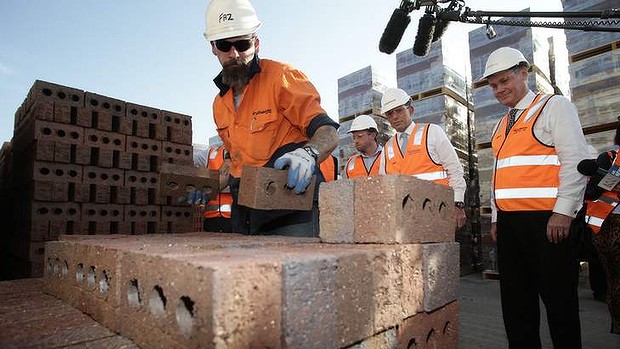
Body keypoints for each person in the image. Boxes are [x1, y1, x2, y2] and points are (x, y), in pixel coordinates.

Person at [203, 0, 339, 237]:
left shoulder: (281, 78)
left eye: (242, 43)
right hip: (245, 212)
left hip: (290, 210)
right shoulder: (219, 104)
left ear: (255, 43)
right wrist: (207, 187)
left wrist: (308, 154)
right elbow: (234, 163)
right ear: (214, 47)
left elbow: (327, 132)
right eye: (225, 45)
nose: (234, 53)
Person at [484, 47, 589, 348]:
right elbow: (498, 173)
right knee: (516, 306)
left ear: (523, 73)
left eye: (505, 81)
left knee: (560, 305)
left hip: (547, 223)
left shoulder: (554, 106)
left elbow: (575, 161)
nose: (499, 89)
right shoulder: (502, 124)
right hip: (509, 225)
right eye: (493, 85)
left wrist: (564, 212)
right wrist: (496, 217)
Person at [378, 87, 467, 229]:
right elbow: (384, 186)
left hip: (438, 212)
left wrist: (458, 203)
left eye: (399, 110)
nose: (394, 116)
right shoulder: (387, 148)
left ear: (410, 110)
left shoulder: (432, 132)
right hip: (404, 219)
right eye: (390, 113)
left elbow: (454, 170)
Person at [583, 126, 620, 334]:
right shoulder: (611, 159)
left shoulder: (611, 158)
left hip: (610, 226)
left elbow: (593, 191)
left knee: (614, 280)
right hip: (609, 227)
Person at [193, 144, 233, 233]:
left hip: (234, 219)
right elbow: (189, 160)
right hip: (211, 218)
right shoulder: (211, 152)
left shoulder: (245, 153)